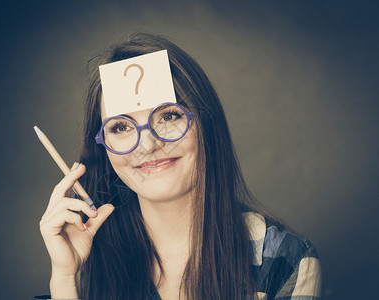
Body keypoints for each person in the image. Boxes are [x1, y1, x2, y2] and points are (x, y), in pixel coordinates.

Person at [34, 32, 322, 300]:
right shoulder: (86, 254)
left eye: (169, 116)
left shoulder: (285, 258)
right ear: (102, 145)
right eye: (121, 126)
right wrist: (64, 278)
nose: (147, 145)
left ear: (205, 124)